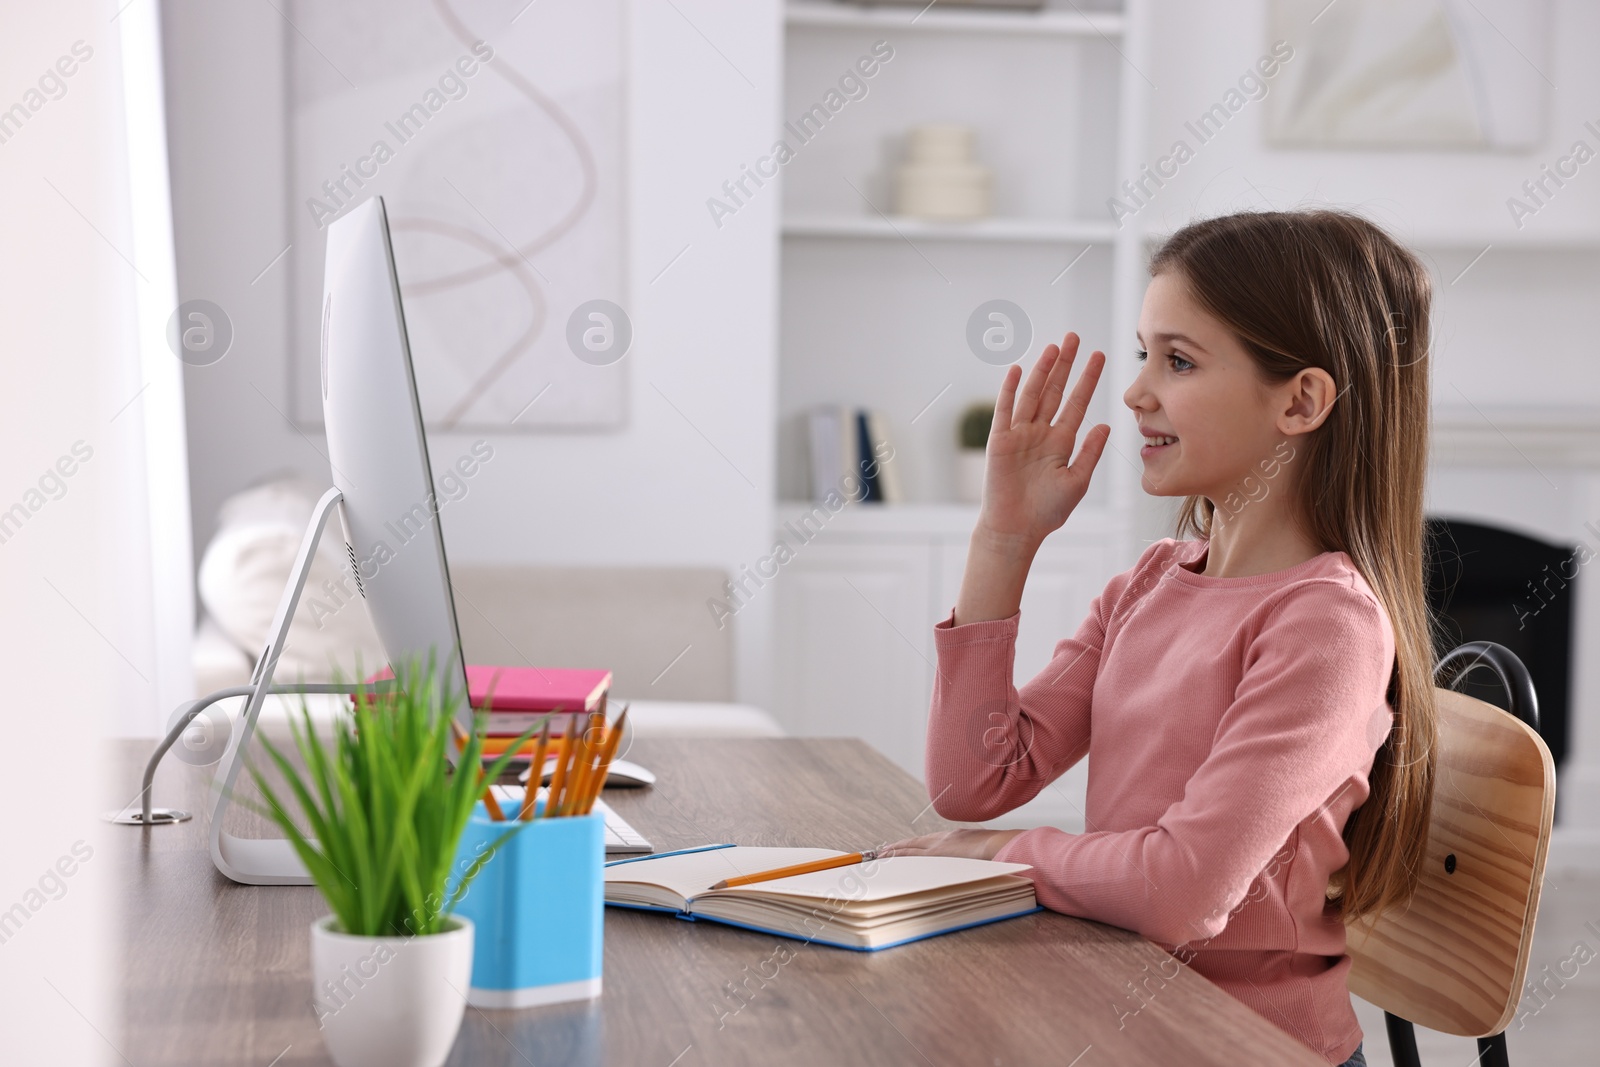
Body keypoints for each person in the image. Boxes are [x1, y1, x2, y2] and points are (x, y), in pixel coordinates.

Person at [880, 209, 1439, 1067]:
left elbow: (1184, 891)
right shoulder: (1152, 580)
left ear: (1301, 400)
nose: (1138, 391)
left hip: (1248, 1042)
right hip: (1128, 1012)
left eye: (1177, 361)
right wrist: (1004, 539)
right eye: (1144, 353)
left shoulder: (1329, 626)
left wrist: (1001, 856)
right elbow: (973, 778)